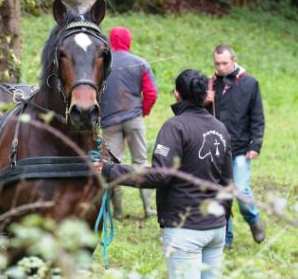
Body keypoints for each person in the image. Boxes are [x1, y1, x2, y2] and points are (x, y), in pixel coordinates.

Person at [96, 69, 233, 279]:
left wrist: (109, 170)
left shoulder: (174, 127)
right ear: (205, 94)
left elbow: (159, 175)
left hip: (185, 230)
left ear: (177, 94)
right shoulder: (221, 128)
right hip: (216, 229)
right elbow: (227, 181)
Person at [209, 44, 265, 248]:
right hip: (217, 150)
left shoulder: (250, 83)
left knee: (239, 189)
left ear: (234, 60)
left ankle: (253, 219)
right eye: (217, 63)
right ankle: (226, 238)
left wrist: (255, 144)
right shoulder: (211, 84)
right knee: (222, 193)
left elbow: (258, 117)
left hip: (241, 148)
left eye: (225, 63)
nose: (221, 67)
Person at [100, 26, 158, 221]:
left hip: (109, 122)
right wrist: (143, 112)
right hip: (134, 118)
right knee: (141, 162)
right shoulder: (140, 63)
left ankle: (116, 212)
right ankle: (149, 209)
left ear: (111, 42)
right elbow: (151, 93)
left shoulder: (102, 64)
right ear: (128, 41)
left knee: (111, 165)